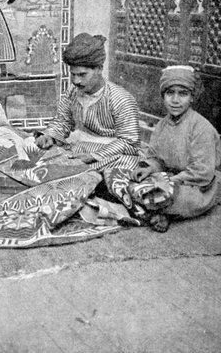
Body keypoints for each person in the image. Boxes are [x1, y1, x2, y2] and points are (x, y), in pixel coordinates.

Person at [132, 65, 221, 232]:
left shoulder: (201, 128)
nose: (175, 100)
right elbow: (157, 158)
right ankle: (155, 209)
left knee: (174, 197)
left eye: (183, 94)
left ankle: (158, 213)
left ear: (192, 97)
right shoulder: (161, 125)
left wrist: (170, 181)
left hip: (195, 186)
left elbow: (202, 172)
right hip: (168, 178)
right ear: (163, 96)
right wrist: (149, 169)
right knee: (129, 179)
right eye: (169, 93)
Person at [35, 32, 140, 172]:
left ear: (99, 69)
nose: (76, 81)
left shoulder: (120, 98)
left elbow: (129, 142)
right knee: (38, 152)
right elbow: (62, 121)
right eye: (73, 74)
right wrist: (50, 136)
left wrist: (93, 156)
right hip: (79, 148)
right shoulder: (73, 92)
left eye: (82, 75)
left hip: (109, 155)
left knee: (126, 163)